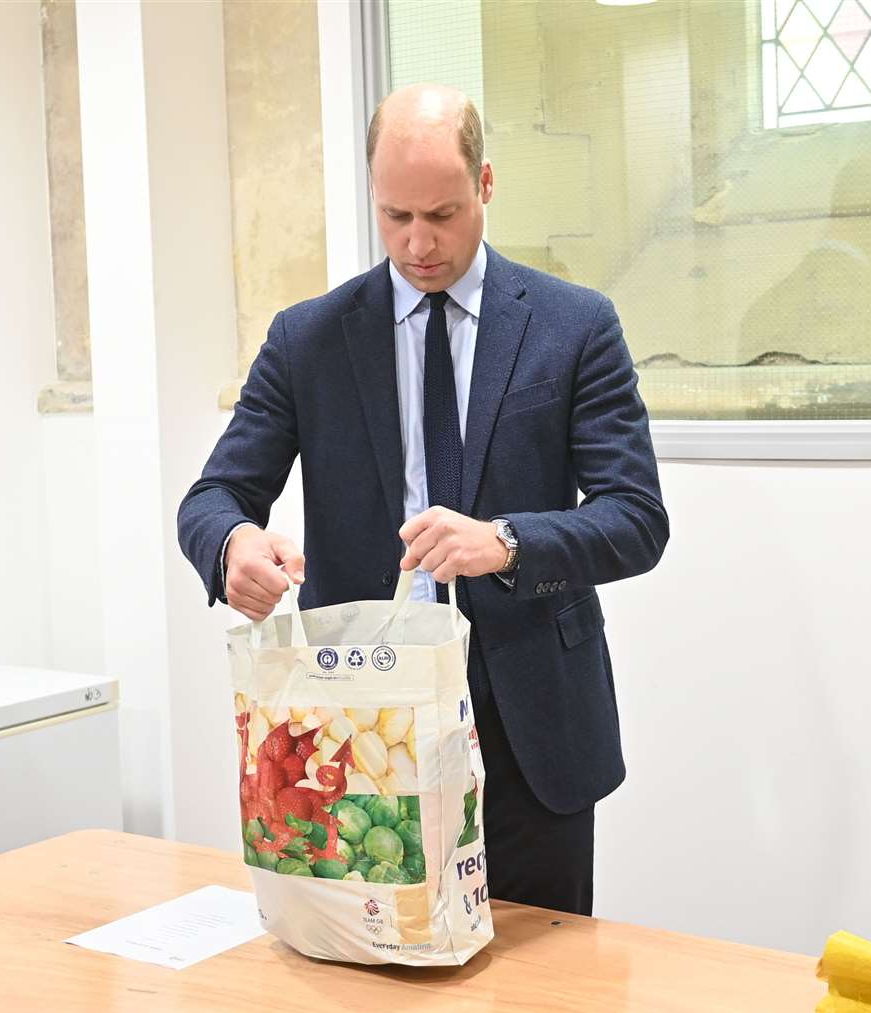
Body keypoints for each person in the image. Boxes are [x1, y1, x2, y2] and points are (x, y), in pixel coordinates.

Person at [177, 84, 669, 916]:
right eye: (394, 215)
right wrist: (232, 546)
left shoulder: (574, 326)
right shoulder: (309, 338)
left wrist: (506, 542)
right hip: (361, 720)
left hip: (526, 721)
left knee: (543, 999)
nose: (417, 244)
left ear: (485, 184)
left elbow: (634, 518)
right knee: (372, 988)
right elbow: (216, 493)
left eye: (440, 214)